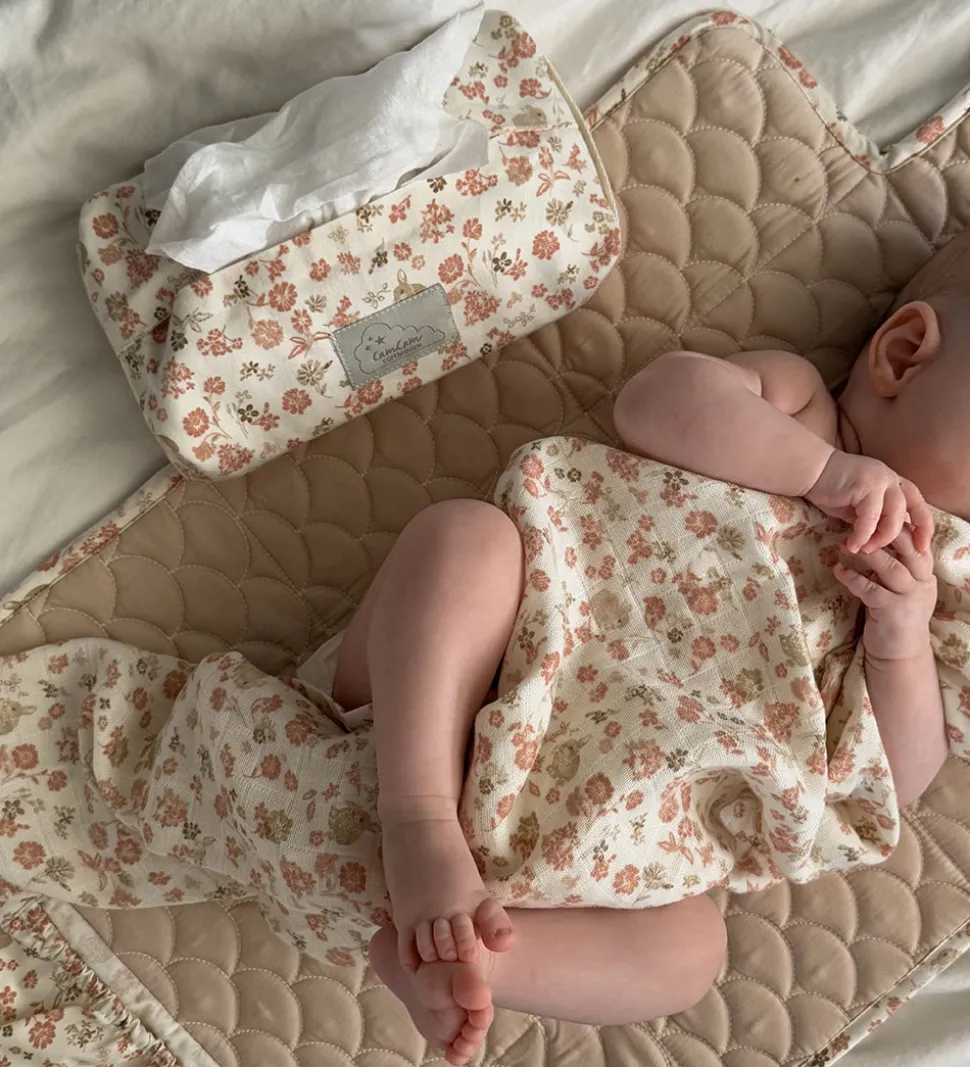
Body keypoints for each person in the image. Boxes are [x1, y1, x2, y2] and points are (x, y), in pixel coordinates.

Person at [331, 231, 969, 1064]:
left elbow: (894, 780)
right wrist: (820, 473)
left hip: (612, 832)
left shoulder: (926, 604)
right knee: (466, 540)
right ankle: (417, 820)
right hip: (474, 676)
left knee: (690, 952)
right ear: (904, 353)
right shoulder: (801, 408)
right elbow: (655, 402)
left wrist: (899, 639)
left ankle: (477, 957)